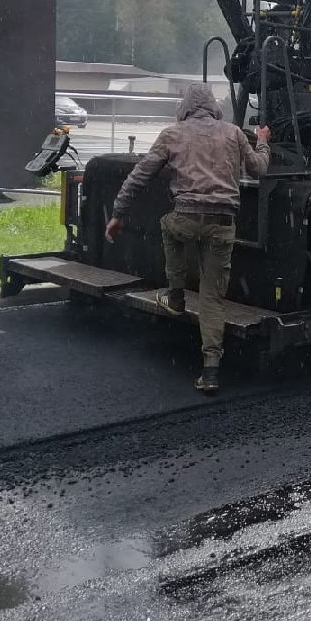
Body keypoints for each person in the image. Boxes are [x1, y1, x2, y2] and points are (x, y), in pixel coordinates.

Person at [105, 84, 271, 392]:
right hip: (223, 224)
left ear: (185, 107)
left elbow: (140, 176)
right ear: (212, 106)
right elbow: (259, 168)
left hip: (185, 218)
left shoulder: (172, 134)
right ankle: (210, 371)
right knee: (212, 299)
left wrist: (118, 213)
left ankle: (177, 295)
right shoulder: (234, 133)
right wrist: (262, 142)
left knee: (169, 225)